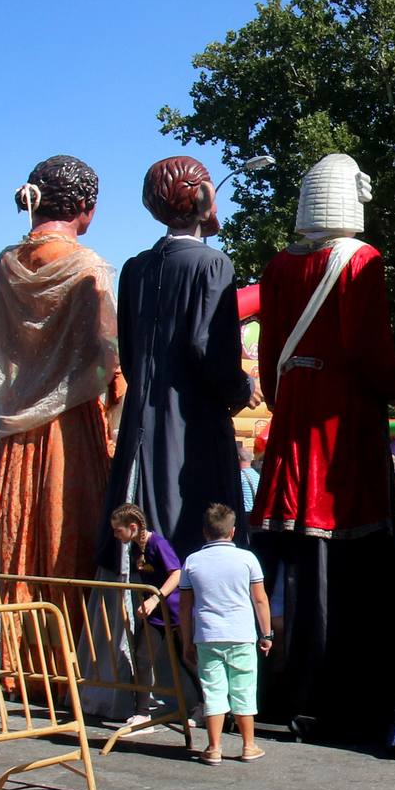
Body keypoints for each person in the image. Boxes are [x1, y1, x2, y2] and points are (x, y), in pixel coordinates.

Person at [251, 154, 395, 745]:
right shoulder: (361, 260)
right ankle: (343, 697)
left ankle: (279, 692)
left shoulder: (277, 266)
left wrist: (289, 390)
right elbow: (371, 355)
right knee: (347, 546)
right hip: (341, 426)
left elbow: (270, 361)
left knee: (286, 544)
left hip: (294, 416)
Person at [0, 156, 120, 653]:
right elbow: (107, 350)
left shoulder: (6, 262)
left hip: (19, 430)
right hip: (71, 425)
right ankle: (63, 657)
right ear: (84, 206)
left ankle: (13, 654)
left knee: (17, 534)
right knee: (68, 532)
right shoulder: (88, 267)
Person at [105, 157, 255, 567]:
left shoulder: (136, 267)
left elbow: (131, 354)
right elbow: (209, 349)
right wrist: (243, 388)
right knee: (195, 535)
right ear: (204, 196)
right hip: (193, 428)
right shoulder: (212, 263)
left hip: (141, 419)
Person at [177, 504, 272, 766]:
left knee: (213, 691)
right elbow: (260, 600)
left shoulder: (192, 561)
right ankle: (248, 745)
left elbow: (185, 606)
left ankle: (214, 747)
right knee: (243, 689)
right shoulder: (247, 559)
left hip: (207, 635)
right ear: (232, 531)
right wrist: (267, 633)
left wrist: (186, 640)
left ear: (205, 532)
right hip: (241, 634)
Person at [108, 504, 185, 737]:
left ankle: (202, 709)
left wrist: (154, 598)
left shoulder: (158, 544)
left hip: (174, 613)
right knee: (142, 657)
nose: (115, 535)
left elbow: (177, 572)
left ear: (132, 527)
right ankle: (142, 713)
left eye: (118, 530)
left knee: (187, 658)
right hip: (154, 617)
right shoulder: (135, 547)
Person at [237, 440, 258, 515]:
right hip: (254, 513)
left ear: (238, 458)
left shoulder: (239, 476)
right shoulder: (257, 475)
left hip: (243, 514)